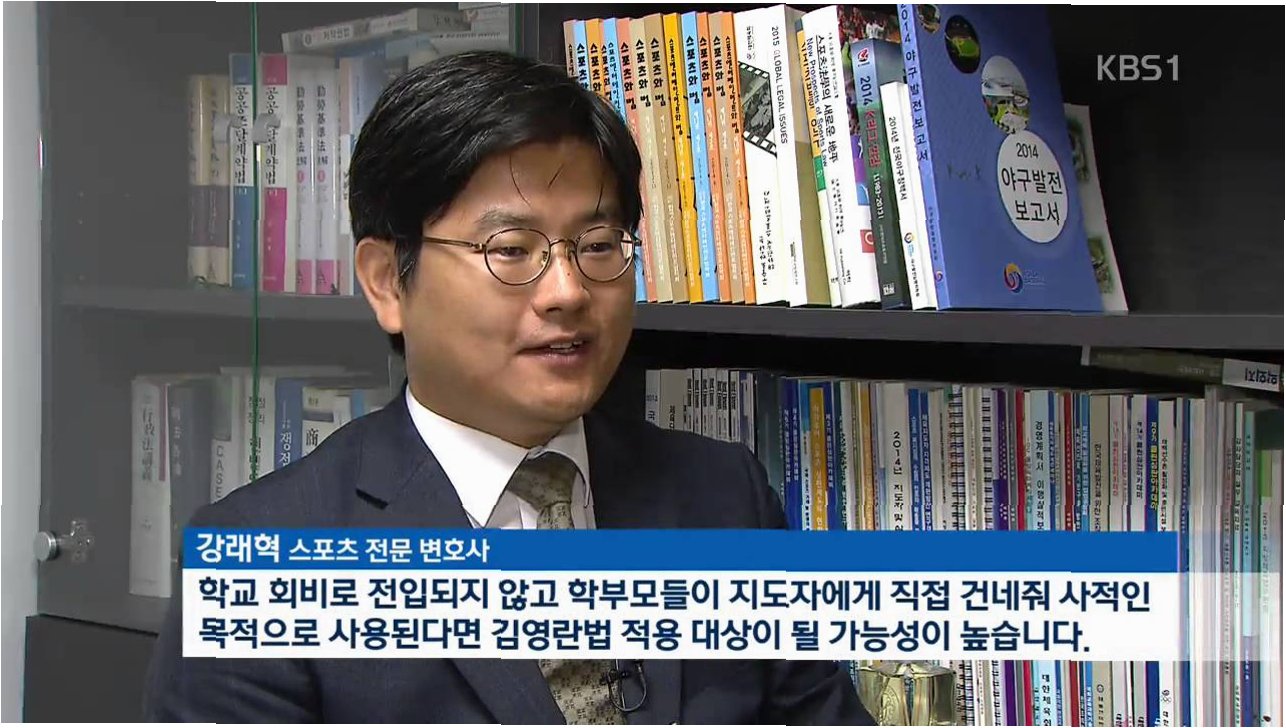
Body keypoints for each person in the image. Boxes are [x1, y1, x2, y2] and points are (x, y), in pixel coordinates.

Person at [143, 50, 876, 725]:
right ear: (386, 281)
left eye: (597, 246)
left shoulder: (725, 500)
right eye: (511, 250)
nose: (567, 291)